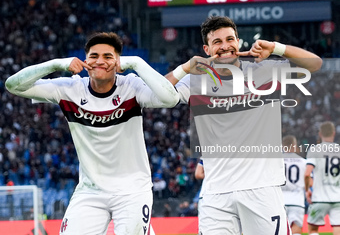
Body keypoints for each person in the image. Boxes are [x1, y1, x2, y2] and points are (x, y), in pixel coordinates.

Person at [5, 32, 179, 235]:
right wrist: (55, 64)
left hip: (132, 190)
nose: (100, 61)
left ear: (118, 61)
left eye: (108, 56)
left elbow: (170, 99)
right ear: (85, 60)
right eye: (94, 56)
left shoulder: (131, 86)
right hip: (90, 190)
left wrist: (137, 63)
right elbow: (12, 85)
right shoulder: (69, 89)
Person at [165, 16, 322, 234]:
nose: (225, 46)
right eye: (217, 42)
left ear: (238, 42)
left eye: (229, 39)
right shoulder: (196, 81)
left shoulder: (264, 71)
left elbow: (315, 64)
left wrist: (276, 47)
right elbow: (159, 94)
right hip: (216, 194)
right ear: (206, 49)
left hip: (262, 189)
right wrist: (185, 68)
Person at [304, 121, 340, 235]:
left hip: (319, 197)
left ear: (320, 134)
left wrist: (307, 190)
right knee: (337, 227)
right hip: (338, 198)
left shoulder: (315, 149)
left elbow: (307, 173)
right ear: (334, 133)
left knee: (313, 229)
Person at [281, 135, 306, 235]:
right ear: (295, 146)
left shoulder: (276, 161)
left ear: (282, 146)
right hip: (297, 201)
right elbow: (308, 178)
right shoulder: (304, 162)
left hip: (280, 200)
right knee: (296, 229)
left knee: (279, 230)